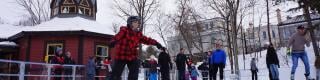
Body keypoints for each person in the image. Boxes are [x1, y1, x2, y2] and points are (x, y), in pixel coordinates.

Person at [108, 16, 165, 80]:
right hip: (122, 55)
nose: (138, 24)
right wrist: (113, 41)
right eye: (135, 22)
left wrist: (156, 43)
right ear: (130, 23)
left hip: (132, 56)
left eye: (138, 22)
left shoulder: (138, 34)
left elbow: (147, 40)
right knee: (115, 75)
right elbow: (117, 37)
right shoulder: (124, 30)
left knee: (135, 67)